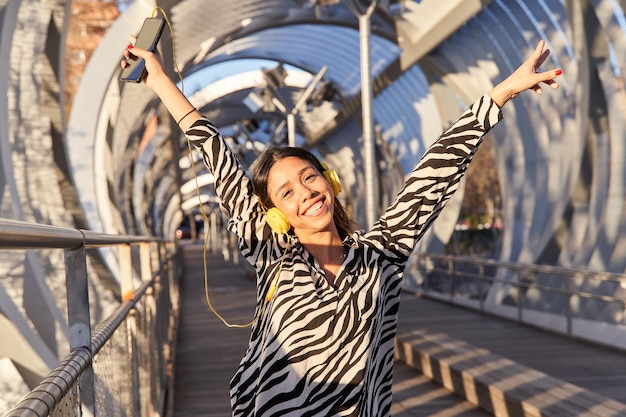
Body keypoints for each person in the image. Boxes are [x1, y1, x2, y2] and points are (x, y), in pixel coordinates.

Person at [122, 39, 561, 416]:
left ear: (329, 180)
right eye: (286, 193)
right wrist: (160, 80)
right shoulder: (272, 254)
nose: (305, 194)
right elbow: (215, 154)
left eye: (308, 178)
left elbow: (434, 175)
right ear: (274, 213)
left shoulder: (382, 254)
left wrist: (501, 94)